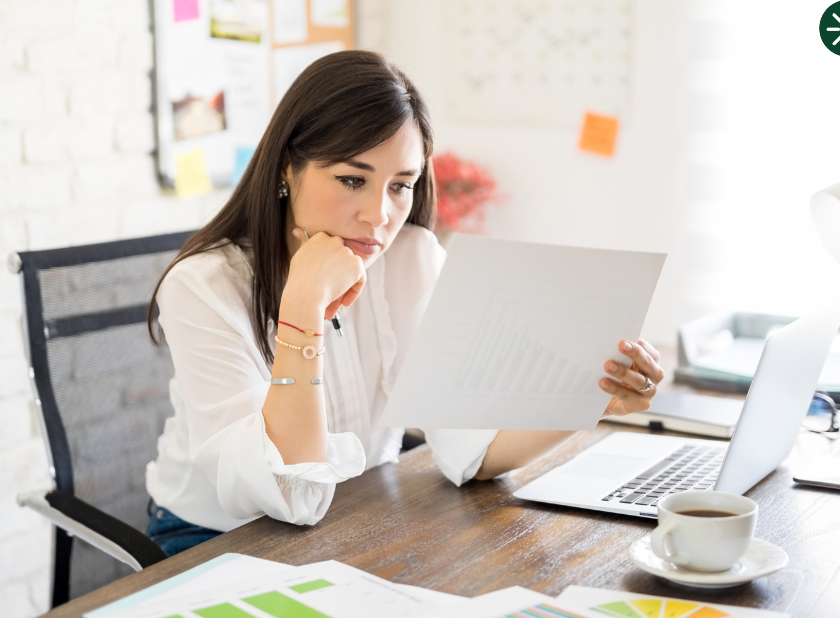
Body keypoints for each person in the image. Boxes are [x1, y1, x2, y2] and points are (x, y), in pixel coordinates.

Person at [143, 50, 665, 556]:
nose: (379, 214)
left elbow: (471, 451)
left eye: (401, 186)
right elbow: (288, 496)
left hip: (354, 522)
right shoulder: (203, 286)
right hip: (214, 541)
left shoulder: (411, 258)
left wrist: (591, 399)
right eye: (352, 180)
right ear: (286, 168)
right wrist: (302, 307)